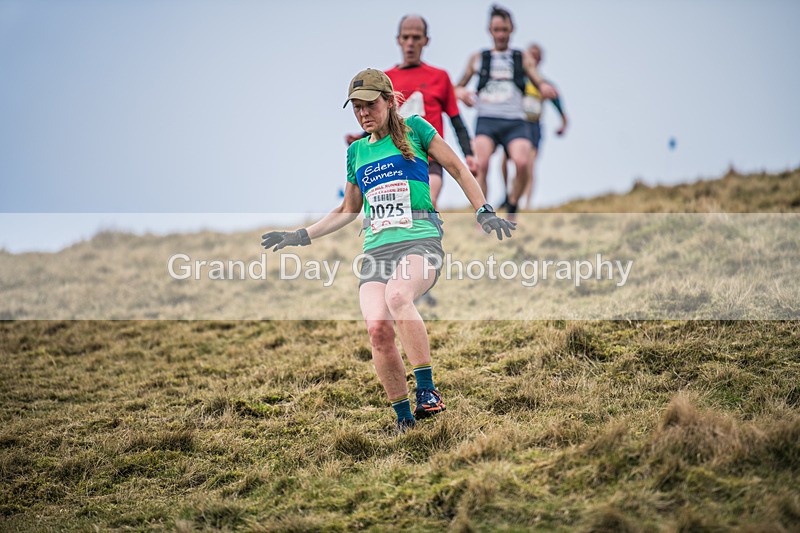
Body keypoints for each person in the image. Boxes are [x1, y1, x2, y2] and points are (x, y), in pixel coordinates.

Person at [262, 69, 515, 433]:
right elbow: (348, 210)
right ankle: (403, 419)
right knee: (377, 328)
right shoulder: (356, 152)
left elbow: (458, 168)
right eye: (357, 108)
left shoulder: (416, 128)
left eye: (370, 105)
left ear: (388, 100)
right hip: (375, 252)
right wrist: (300, 235)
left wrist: (483, 209)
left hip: (419, 241)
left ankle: (427, 391)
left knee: (398, 296)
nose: (364, 113)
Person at [346, 15, 476, 209]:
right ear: (398, 39)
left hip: (429, 157)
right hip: (394, 158)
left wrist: (469, 154)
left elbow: (456, 120)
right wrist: (361, 136)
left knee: (426, 202)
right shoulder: (385, 79)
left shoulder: (440, 77)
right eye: (405, 37)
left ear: (426, 41)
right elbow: (380, 118)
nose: (410, 43)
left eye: (416, 38)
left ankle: (430, 236)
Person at [454, 5, 558, 217]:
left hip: (515, 121)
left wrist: (545, 88)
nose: (500, 34)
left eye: (504, 30)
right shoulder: (478, 58)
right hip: (487, 120)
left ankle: (512, 204)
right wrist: (462, 94)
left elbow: (539, 80)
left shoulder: (522, 57)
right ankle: (483, 213)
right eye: (496, 30)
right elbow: (456, 87)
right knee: (481, 164)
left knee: (522, 163)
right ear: (489, 31)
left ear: (512, 30)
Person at [500, 43, 568, 210]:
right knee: (504, 161)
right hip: (515, 124)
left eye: (536, 56)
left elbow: (556, 101)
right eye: (530, 54)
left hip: (533, 126)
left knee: (529, 165)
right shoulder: (517, 79)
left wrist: (563, 122)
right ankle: (507, 195)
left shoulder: (543, 83)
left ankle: (527, 203)